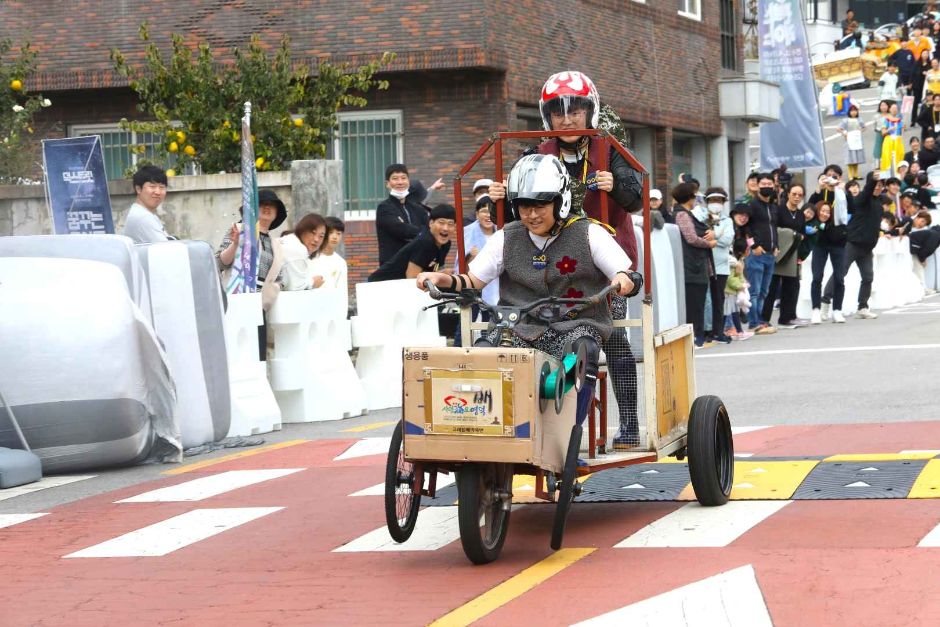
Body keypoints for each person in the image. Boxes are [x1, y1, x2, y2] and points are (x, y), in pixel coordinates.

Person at [416, 153, 637, 435]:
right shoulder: (507, 236)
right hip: (517, 325)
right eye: (524, 206)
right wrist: (441, 278)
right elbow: (471, 281)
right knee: (484, 353)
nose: (532, 215)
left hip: (576, 323)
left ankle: (568, 434)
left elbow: (625, 273)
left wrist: (623, 278)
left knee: (583, 350)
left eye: (540, 205)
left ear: (560, 201)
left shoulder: (589, 233)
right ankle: (488, 431)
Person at [489, 71, 643, 448]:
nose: (568, 119)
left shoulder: (608, 148)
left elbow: (637, 198)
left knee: (615, 338)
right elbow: (512, 217)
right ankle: (527, 422)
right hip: (549, 265)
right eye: (558, 112)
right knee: (522, 332)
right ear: (547, 117)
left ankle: (628, 423)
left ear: (590, 111)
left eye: (575, 110)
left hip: (601, 265)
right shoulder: (535, 154)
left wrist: (616, 186)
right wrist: (498, 198)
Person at [216, 188, 288, 360]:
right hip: (235, 301)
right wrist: (235, 244)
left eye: (271, 205)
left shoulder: (276, 244)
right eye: (262, 204)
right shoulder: (238, 229)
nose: (267, 207)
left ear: (277, 213)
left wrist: (271, 292)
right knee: (236, 354)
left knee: (258, 355)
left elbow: (280, 277)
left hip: (259, 306)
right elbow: (219, 262)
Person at [672, 183, 717, 348]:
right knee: (694, 306)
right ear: (690, 198)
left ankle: (697, 337)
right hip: (692, 267)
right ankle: (696, 338)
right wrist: (709, 243)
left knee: (696, 304)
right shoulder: (682, 215)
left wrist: (710, 233)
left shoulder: (686, 213)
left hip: (695, 266)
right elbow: (691, 238)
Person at [842, 171, 888, 320]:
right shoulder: (862, 198)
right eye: (876, 184)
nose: (878, 187)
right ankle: (825, 301)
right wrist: (873, 180)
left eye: (881, 185)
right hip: (853, 243)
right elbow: (868, 190)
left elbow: (874, 225)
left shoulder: (879, 203)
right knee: (841, 272)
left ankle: (862, 307)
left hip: (867, 247)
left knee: (868, 277)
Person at [369, 204, 455, 282]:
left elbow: (435, 268)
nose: (445, 228)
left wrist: (442, 274)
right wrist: (440, 275)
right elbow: (412, 277)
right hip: (378, 285)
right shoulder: (425, 242)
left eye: (450, 224)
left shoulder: (445, 244)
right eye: (441, 223)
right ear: (431, 223)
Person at [762, 184, 807, 328]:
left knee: (792, 286)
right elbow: (774, 229)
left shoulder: (800, 214)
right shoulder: (778, 210)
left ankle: (787, 317)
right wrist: (791, 234)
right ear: (788, 194)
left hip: (792, 254)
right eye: (794, 194)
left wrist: (800, 250)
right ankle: (763, 319)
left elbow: (802, 234)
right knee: (771, 287)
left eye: (800, 195)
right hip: (778, 252)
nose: (797, 197)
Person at [743, 173, 779, 334]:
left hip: (771, 254)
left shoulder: (773, 206)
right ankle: (753, 323)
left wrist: (776, 245)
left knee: (764, 291)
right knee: (755, 291)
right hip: (756, 255)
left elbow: (773, 228)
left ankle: (761, 321)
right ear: (757, 186)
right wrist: (754, 245)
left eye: (769, 184)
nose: (766, 187)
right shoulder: (752, 205)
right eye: (763, 184)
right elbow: (745, 227)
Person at [375, 163, 430, 265]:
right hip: (393, 266)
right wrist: (423, 233)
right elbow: (401, 229)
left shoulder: (417, 208)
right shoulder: (384, 208)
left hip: (416, 264)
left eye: (403, 178)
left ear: (408, 182)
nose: (400, 182)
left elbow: (429, 227)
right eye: (395, 179)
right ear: (387, 184)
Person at [703, 188, 734, 344]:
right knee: (705, 300)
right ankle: (706, 330)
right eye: (713, 200)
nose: (716, 203)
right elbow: (702, 236)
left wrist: (715, 236)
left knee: (718, 299)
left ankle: (718, 330)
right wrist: (717, 235)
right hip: (705, 264)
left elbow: (728, 239)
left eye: (719, 200)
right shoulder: (702, 217)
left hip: (721, 267)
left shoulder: (727, 220)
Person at [808, 202, 847, 324]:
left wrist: (826, 227)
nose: (824, 214)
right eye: (822, 211)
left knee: (839, 278)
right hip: (819, 247)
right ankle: (816, 309)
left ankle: (837, 310)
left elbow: (842, 234)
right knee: (817, 277)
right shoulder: (814, 222)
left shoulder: (836, 222)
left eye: (828, 212)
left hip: (838, 246)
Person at [123, 165, 170, 243]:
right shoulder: (142, 217)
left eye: (162, 187)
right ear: (138, 189)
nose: (158, 192)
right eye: (152, 186)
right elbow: (166, 248)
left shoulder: (145, 214)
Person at [279, 213, 327, 291]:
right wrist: (313, 282)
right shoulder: (296, 249)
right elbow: (296, 287)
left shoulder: (291, 240)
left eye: (321, 236)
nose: (316, 239)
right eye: (313, 233)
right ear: (302, 230)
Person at [308, 215, 348, 291]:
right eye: (331, 232)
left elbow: (342, 290)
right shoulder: (310, 258)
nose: (335, 237)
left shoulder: (341, 262)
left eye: (338, 233)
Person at [881, 102, 905, 173]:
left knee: (899, 156)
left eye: (896, 108)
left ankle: (898, 172)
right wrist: (889, 130)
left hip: (897, 141)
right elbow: (883, 132)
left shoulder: (899, 120)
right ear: (890, 109)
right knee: (888, 157)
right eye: (893, 108)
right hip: (889, 140)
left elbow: (901, 133)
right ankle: (887, 173)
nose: (894, 110)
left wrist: (903, 129)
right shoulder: (887, 120)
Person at [872, 100, 890, 169]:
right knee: (878, 149)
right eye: (882, 105)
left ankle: (887, 164)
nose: (883, 107)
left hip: (888, 134)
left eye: (885, 105)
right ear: (879, 107)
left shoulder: (890, 115)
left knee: (888, 149)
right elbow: (874, 126)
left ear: (888, 106)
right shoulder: (876, 116)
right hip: (879, 133)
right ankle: (877, 166)